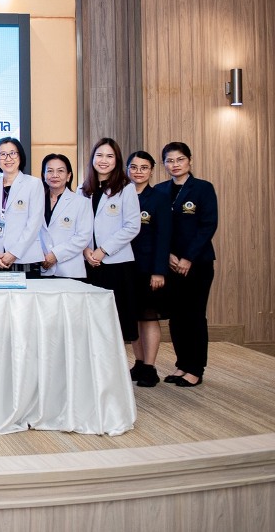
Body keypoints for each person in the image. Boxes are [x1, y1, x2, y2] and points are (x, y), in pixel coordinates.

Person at [158, 142, 217, 388]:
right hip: (169, 263)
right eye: (170, 161)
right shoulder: (160, 190)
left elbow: (208, 225)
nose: (175, 165)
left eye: (180, 159)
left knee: (194, 315)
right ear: (164, 164)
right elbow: (157, 229)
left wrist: (188, 257)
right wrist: (167, 255)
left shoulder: (203, 188)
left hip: (197, 263)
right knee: (176, 316)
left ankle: (195, 369)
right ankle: (182, 365)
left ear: (189, 160)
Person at [80, 137, 141, 343]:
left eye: (109, 156)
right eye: (99, 155)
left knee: (116, 322)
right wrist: (86, 250)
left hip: (116, 264)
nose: (103, 160)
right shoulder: (83, 189)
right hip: (88, 263)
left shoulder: (126, 188)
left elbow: (132, 226)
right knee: (91, 320)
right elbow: (79, 226)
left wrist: (103, 250)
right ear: (92, 159)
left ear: (117, 160)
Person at [126, 150, 173, 387]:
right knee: (133, 317)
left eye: (144, 167)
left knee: (148, 317)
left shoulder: (159, 198)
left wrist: (159, 270)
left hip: (148, 268)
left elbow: (164, 237)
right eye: (134, 167)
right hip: (125, 267)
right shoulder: (120, 196)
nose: (138, 172)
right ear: (127, 169)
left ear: (152, 171)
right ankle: (138, 362)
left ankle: (150, 367)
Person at [0, 137, 45, 276]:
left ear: (20, 156)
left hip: (25, 257)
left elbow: (34, 223)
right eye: (3, 154)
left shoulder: (34, 184)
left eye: (13, 153)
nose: (8, 158)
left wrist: (14, 253)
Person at [39, 153, 93, 278]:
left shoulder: (81, 202)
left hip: (69, 270)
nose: (55, 175)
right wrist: (39, 255)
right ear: (43, 175)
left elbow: (83, 237)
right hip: (40, 268)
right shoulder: (35, 201)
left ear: (68, 176)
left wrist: (56, 255)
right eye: (50, 171)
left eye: (60, 171)